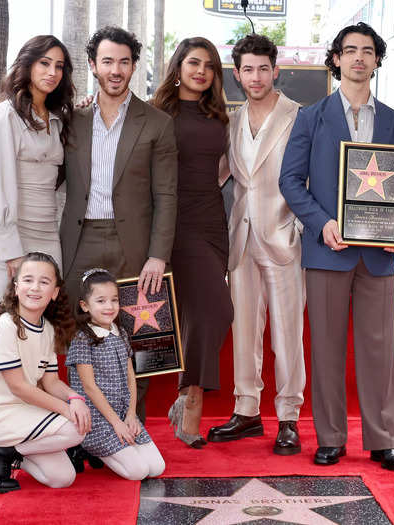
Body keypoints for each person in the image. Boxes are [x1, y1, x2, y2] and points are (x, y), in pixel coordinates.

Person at [279, 22, 394, 471]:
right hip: (327, 250)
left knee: (379, 349)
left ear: (377, 60)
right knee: (327, 349)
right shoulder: (310, 117)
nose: (359, 57)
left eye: (367, 51)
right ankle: (331, 438)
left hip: (379, 254)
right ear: (335, 59)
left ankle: (383, 439)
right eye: (350, 50)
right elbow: (290, 181)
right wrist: (321, 224)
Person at [60, 26, 178, 422]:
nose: (116, 70)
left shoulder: (157, 124)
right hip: (80, 242)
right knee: (79, 339)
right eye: (107, 61)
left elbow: (166, 196)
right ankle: (85, 431)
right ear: (93, 65)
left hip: (137, 247)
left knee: (140, 340)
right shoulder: (70, 121)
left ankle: (133, 426)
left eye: (124, 62)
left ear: (133, 66)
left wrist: (158, 256)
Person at [207, 34, 305, 455]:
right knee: (244, 329)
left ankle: (288, 417)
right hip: (241, 239)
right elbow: (216, 175)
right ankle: (246, 410)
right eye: (248, 69)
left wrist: (299, 226)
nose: (256, 76)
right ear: (237, 75)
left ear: (276, 71)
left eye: (264, 68)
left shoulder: (299, 116)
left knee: (288, 334)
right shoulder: (230, 120)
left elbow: (314, 177)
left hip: (284, 237)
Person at [150, 37, 234, 448]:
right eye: (193, 62)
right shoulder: (155, 112)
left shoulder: (219, 115)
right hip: (175, 223)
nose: (201, 71)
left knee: (204, 312)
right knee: (218, 308)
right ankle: (191, 397)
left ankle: (187, 395)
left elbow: (224, 169)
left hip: (214, 222)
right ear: (178, 66)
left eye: (209, 66)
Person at [0, 252, 91, 493]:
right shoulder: (4, 326)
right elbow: (19, 388)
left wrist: (75, 399)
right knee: (74, 428)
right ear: (16, 288)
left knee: (62, 478)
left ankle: (3, 451)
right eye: (27, 280)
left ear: (54, 292)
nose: (35, 288)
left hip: (24, 413)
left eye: (44, 282)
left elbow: (52, 382)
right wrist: (67, 410)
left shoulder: (47, 330)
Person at [0, 35, 75, 314]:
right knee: (7, 320)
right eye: (44, 63)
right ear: (27, 65)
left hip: (49, 231)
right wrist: (10, 248)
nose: (52, 72)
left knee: (47, 320)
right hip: (13, 232)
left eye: (59, 66)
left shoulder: (58, 117)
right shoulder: (6, 115)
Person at [66, 268, 165, 479]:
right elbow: (89, 387)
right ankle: (85, 446)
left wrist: (130, 416)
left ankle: (120, 449)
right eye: (101, 301)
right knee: (138, 472)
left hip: (123, 413)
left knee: (157, 468)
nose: (109, 306)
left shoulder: (120, 333)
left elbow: (131, 378)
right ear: (85, 306)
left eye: (114, 300)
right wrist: (116, 423)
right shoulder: (83, 338)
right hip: (100, 419)